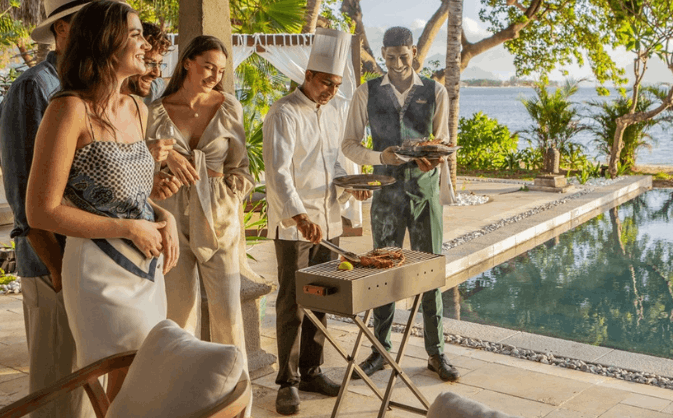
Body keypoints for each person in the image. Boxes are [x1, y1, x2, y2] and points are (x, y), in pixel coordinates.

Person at [25, 0, 179, 401]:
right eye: (134, 35)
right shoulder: (68, 110)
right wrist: (129, 228)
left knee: (143, 378)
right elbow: (41, 210)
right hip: (97, 270)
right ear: (105, 43)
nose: (145, 44)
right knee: (124, 380)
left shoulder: (139, 109)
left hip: (145, 268)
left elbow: (132, 198)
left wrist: (166, 219)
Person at [0, 0, 105, 418]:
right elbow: (26, 195)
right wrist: (60, 273)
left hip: (85, 263)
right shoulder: (34, 88)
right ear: (62, 30)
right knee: (58, 390)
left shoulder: (85, 85)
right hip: (51, 265)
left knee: (86, 389)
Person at [341, 26, 459, 382]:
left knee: (431, 273)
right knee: (382, 274)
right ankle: (380, 352)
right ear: (382, 54)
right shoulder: (366, 92)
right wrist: (381, 155)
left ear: (413, 53)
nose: (396, 64)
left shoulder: (436, 91)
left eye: (403, 56)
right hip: (386, 196)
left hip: (424, 195)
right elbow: (348, 144)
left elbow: (444, 141)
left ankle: (436, 353)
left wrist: (433, 158)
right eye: (390, 57)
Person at [263, 28, 370, 415]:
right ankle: (287, 381)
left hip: (329, 223)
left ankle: (312, 369)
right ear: (308, 75)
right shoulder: (283, 112)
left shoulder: (335, 112)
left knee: (321, 297)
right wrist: (300, 216)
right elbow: (277, 173)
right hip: (296, 226)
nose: (331, 90)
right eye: (327, 83)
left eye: (336, 84)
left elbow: (337, 162)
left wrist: (353, 187)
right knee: (292, 302)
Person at [146, 35, 254, 409]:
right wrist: (163, 164)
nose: (214, 75)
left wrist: (226, 189)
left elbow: (241, 167)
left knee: (228, 317)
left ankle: (237, 405)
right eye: (208, 66)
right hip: (172, 220)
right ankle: (184, 402)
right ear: (187, 62)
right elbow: (140, 166)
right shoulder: (155, 111)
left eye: (221, 70)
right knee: (178, 315)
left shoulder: (229, 108)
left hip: (219, 222)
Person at [121, 21, 180, 200]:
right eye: (148, 62)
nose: (156, 73)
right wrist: (146, 153)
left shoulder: (142, 104)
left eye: (160, 65)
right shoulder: (85, 107)